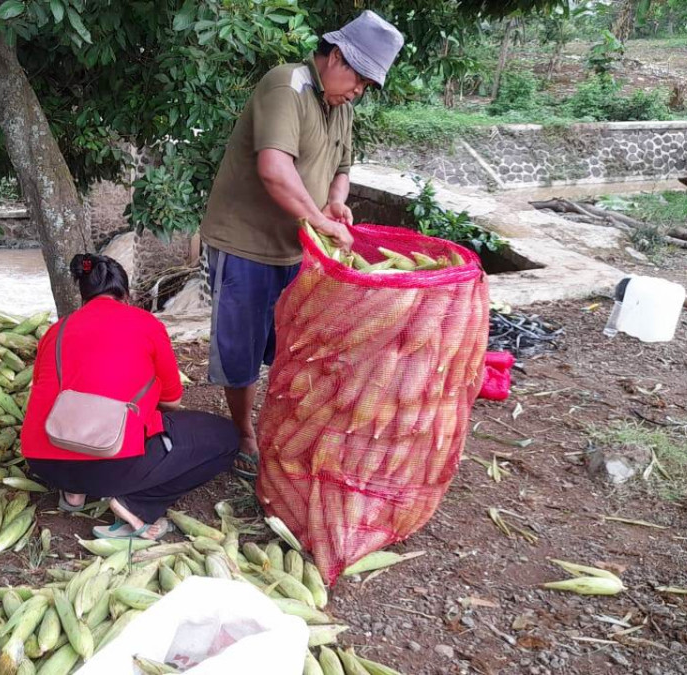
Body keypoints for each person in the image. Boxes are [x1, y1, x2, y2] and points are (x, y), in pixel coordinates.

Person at [199, 10, 405, 478]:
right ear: (336, 57)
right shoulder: (286, 86)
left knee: (293, 343)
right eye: (360, 79)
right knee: (242, 347)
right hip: (246, 242)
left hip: (298, 246)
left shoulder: (342, 107)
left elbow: (342, 167)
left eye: (369, 86)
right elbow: (274, 168)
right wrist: (316, 219)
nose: (360, 92)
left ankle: (279, 423)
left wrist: (334, 202)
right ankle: (244, 435)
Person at [20, 253, 240, 540]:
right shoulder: (145, 323)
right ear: (126, 293)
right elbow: (172, 401)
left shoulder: (55, 330)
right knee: (225, 438)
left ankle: (73, 495)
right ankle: (135, 505)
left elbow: (43, 393)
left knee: (76, 427)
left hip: (45, 462)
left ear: (82, 295)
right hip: (111, 465)